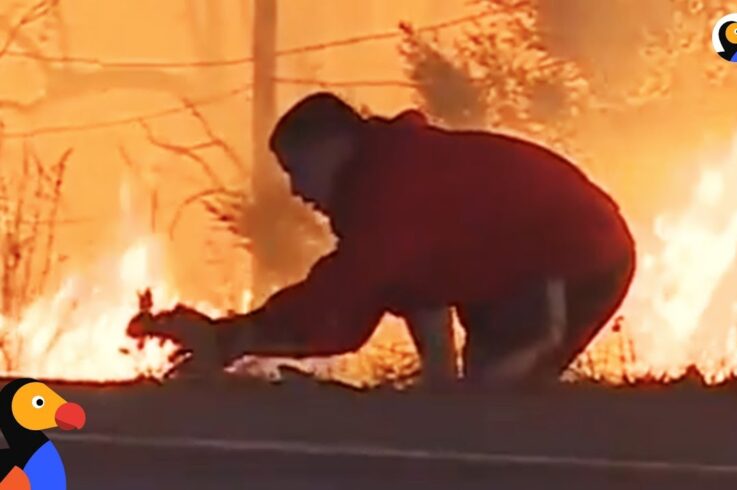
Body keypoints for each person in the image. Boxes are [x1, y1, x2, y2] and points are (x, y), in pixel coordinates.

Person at [131, 92, 636, 389]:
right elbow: (415, 286)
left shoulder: (390, 189)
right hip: (524, 264)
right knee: (465, 405)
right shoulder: (387, 177)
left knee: (493, 402)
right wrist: (437, 378)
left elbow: (344, 299)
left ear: (334, 148)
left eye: (298, 169)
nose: (296, 189)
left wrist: (229, 340)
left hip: (576, 256)